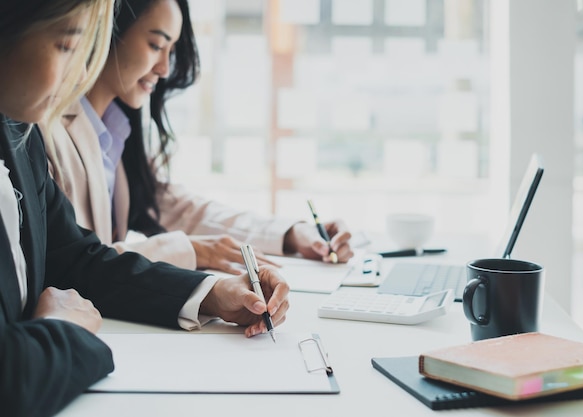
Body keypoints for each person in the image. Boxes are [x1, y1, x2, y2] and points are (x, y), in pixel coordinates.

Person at [0, 1, 289, 416]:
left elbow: (79, 259)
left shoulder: (18, 135)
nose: (78, 73)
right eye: (67, 46)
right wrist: (62, 331)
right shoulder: (41, 125)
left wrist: (211, 294)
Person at [43, 0, 354, 275]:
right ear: (108, 30)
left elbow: (183, 210)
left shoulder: (115, 132)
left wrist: (292, 234)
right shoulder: (45, 130)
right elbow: (74, 263)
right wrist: (194, 251)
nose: (164, 68)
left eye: (171, 51)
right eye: (155, 45)